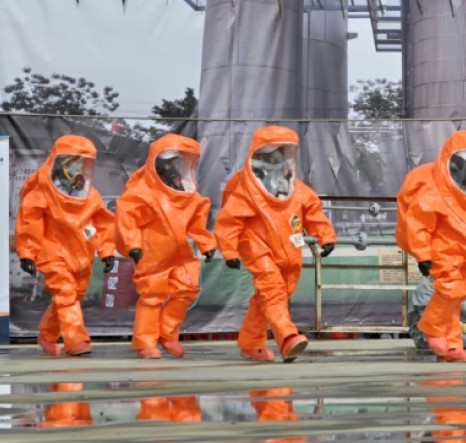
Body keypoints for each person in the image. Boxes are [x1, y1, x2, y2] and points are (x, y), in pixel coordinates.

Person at [214, 126, 336, 363]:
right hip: (256, 245)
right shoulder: (246, 191)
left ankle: (251, 342)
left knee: (269, 297)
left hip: (289, 248)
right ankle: (288, 337)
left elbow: (313, 213)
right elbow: (229, 221)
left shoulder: (297, 190)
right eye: (269, 155)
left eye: (281, 154)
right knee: (272, 290)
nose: (275, 160)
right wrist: (229, 250)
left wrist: (326, 236)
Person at [396, 130, 466, 363]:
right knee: (449, 291)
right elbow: (417, 225)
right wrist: (423, 255)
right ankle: (432, 327)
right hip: (444, 252)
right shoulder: (434, 194)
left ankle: (452, 347)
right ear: (452, 161)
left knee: (457, 298)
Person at [116, 133, 216, 359]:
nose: (172, 168)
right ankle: (145, 342)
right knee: (152, 297)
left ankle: (168, 334)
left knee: (187, 290)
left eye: (176, 162)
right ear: (156, 163)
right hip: (152, 253)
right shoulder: (140, 193)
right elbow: (127, 218)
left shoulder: (186, 193)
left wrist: (206, 243)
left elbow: (197, 223)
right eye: (167, 162)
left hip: (181, 252)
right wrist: (133, 244)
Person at [16, 134, 116, 356]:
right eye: (72, 161)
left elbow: (102, 223)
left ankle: (47, 335)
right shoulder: (40, 192)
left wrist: (106, 250)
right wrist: (27, 253)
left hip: (82, 253)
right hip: (52, 253)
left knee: (74, 296)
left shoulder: (90, 195)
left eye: (82, 162)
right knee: (66, 294)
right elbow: (29, 224)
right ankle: (77, 341)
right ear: (59, 161)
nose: (78, 167)